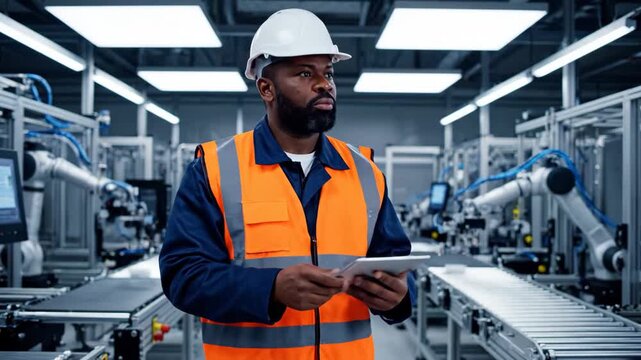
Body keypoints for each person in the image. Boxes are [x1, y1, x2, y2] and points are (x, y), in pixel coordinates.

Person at [159, 8, 411, 360]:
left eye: (328, 72)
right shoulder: (213, 170)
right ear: (267, 88)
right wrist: (271, 289)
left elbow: (397, 266)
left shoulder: (365, 172)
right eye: (305, 73)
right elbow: (182, 277)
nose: (324, 83)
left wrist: (399, 298)